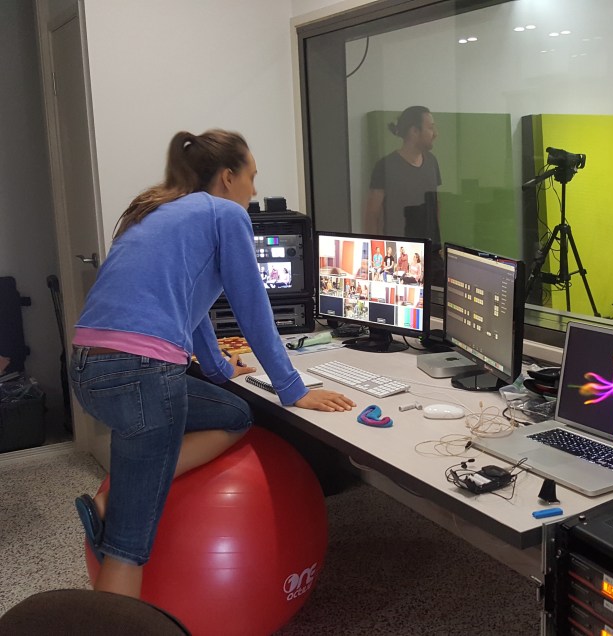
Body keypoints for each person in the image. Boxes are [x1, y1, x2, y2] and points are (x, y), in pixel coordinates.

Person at [69, 129, 355, 600]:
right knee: (126, 548)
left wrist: (220, 368)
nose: (254, 191)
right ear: (227, 177)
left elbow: (192, 302)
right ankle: (118, 513)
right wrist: (294, 389)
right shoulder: (226, 213)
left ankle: (123, 491)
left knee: (234, 413)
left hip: (89, 368)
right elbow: (252, 308)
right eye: (252, 177)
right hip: (141, 373)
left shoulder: (159, 210)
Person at [364, 106, 442, 253]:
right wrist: (374, 251)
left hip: (430, 251)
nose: (435, 134)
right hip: (397, 251)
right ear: (414, 131)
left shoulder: (432, 162)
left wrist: (438, 247)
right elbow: (372, 215)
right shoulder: (385, 166)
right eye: (430, 128)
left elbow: (435, 205)